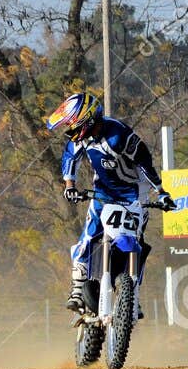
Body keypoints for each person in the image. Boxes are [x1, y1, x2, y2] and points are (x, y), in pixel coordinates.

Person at [44, 91, 173, 313]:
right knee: (88, 234)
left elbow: (144, 161)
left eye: (73, 125)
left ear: (88, 119)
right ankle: (77, 287)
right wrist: (70, 186)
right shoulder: (81, 140)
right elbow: (69, 158)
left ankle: (132, 294)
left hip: (135, 195)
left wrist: (161, 191)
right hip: (103, 193)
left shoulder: (119, 135)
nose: (71, 132)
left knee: (137, 241)